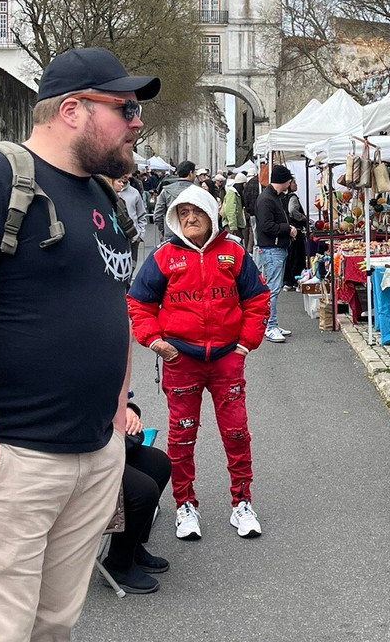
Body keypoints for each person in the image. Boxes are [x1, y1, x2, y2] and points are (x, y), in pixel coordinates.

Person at [0, 46, 159, 641]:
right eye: (124, 107)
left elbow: (112, 306)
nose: (138, 121)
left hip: (90, 455)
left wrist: (116, 407)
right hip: (11, 456)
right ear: (72, 109)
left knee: (53, 626)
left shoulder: (102, 196)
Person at [127, 185, 270, 541]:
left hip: (226, 361)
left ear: (211, 214)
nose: (190, 219)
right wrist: (156, 342)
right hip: (181, 361)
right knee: (181, 436)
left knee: (236, 433)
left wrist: (244, 345)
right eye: (183, 213)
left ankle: (242, 503)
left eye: (197, 212)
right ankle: (185, 506)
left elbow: (257, 299)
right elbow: (139, 304)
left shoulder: (233, 253)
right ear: (176, 217)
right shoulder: (164, 256)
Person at [100, 402, 172, 594]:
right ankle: (118, 565)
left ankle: (131, 547)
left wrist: (127, 410)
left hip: (103, 438)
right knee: (143, 491)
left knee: (158, 464)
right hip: (72, 452)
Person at [255, 164, 297, 343]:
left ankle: (272, 323)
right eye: (289, 180)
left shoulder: (273, 197)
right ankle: (270, 326)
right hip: (272, 249)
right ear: (284, 181)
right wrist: (287, 228)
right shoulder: (267, 199)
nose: (291, 183)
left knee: (274, 288)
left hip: (275, 248)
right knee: (272, 289)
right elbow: (266, 226)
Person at [153, 161, 196, 241]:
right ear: (191, 173)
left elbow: (157, 215)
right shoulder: (198, 191)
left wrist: (164, 230)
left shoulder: (166, 191)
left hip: (171, 233)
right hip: (192, 234)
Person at [113, 173, 148, 265]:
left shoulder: (134, 192)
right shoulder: (106, 193)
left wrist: (140, 235)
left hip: (132, 239)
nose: (125, 174)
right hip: (114, 239)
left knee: (131, 267)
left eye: (127, 172)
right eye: (122, 171)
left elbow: (142, 214)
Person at [282, 179, 309, 289]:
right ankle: (295, 280)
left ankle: (288, 281)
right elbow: (292, 211)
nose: (296, 184)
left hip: (288, 229)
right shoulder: (292, 197)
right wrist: (303, 218)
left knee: (290, 256)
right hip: (295, 229)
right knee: (296, 256)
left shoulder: (283, 198)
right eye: (294, 183)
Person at [223, 171, 250, 247]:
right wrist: (233, 227)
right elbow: (230, 210)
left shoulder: (236, 193)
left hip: (236, 225)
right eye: (244, 184)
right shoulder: (232, 193)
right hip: (232, 226)